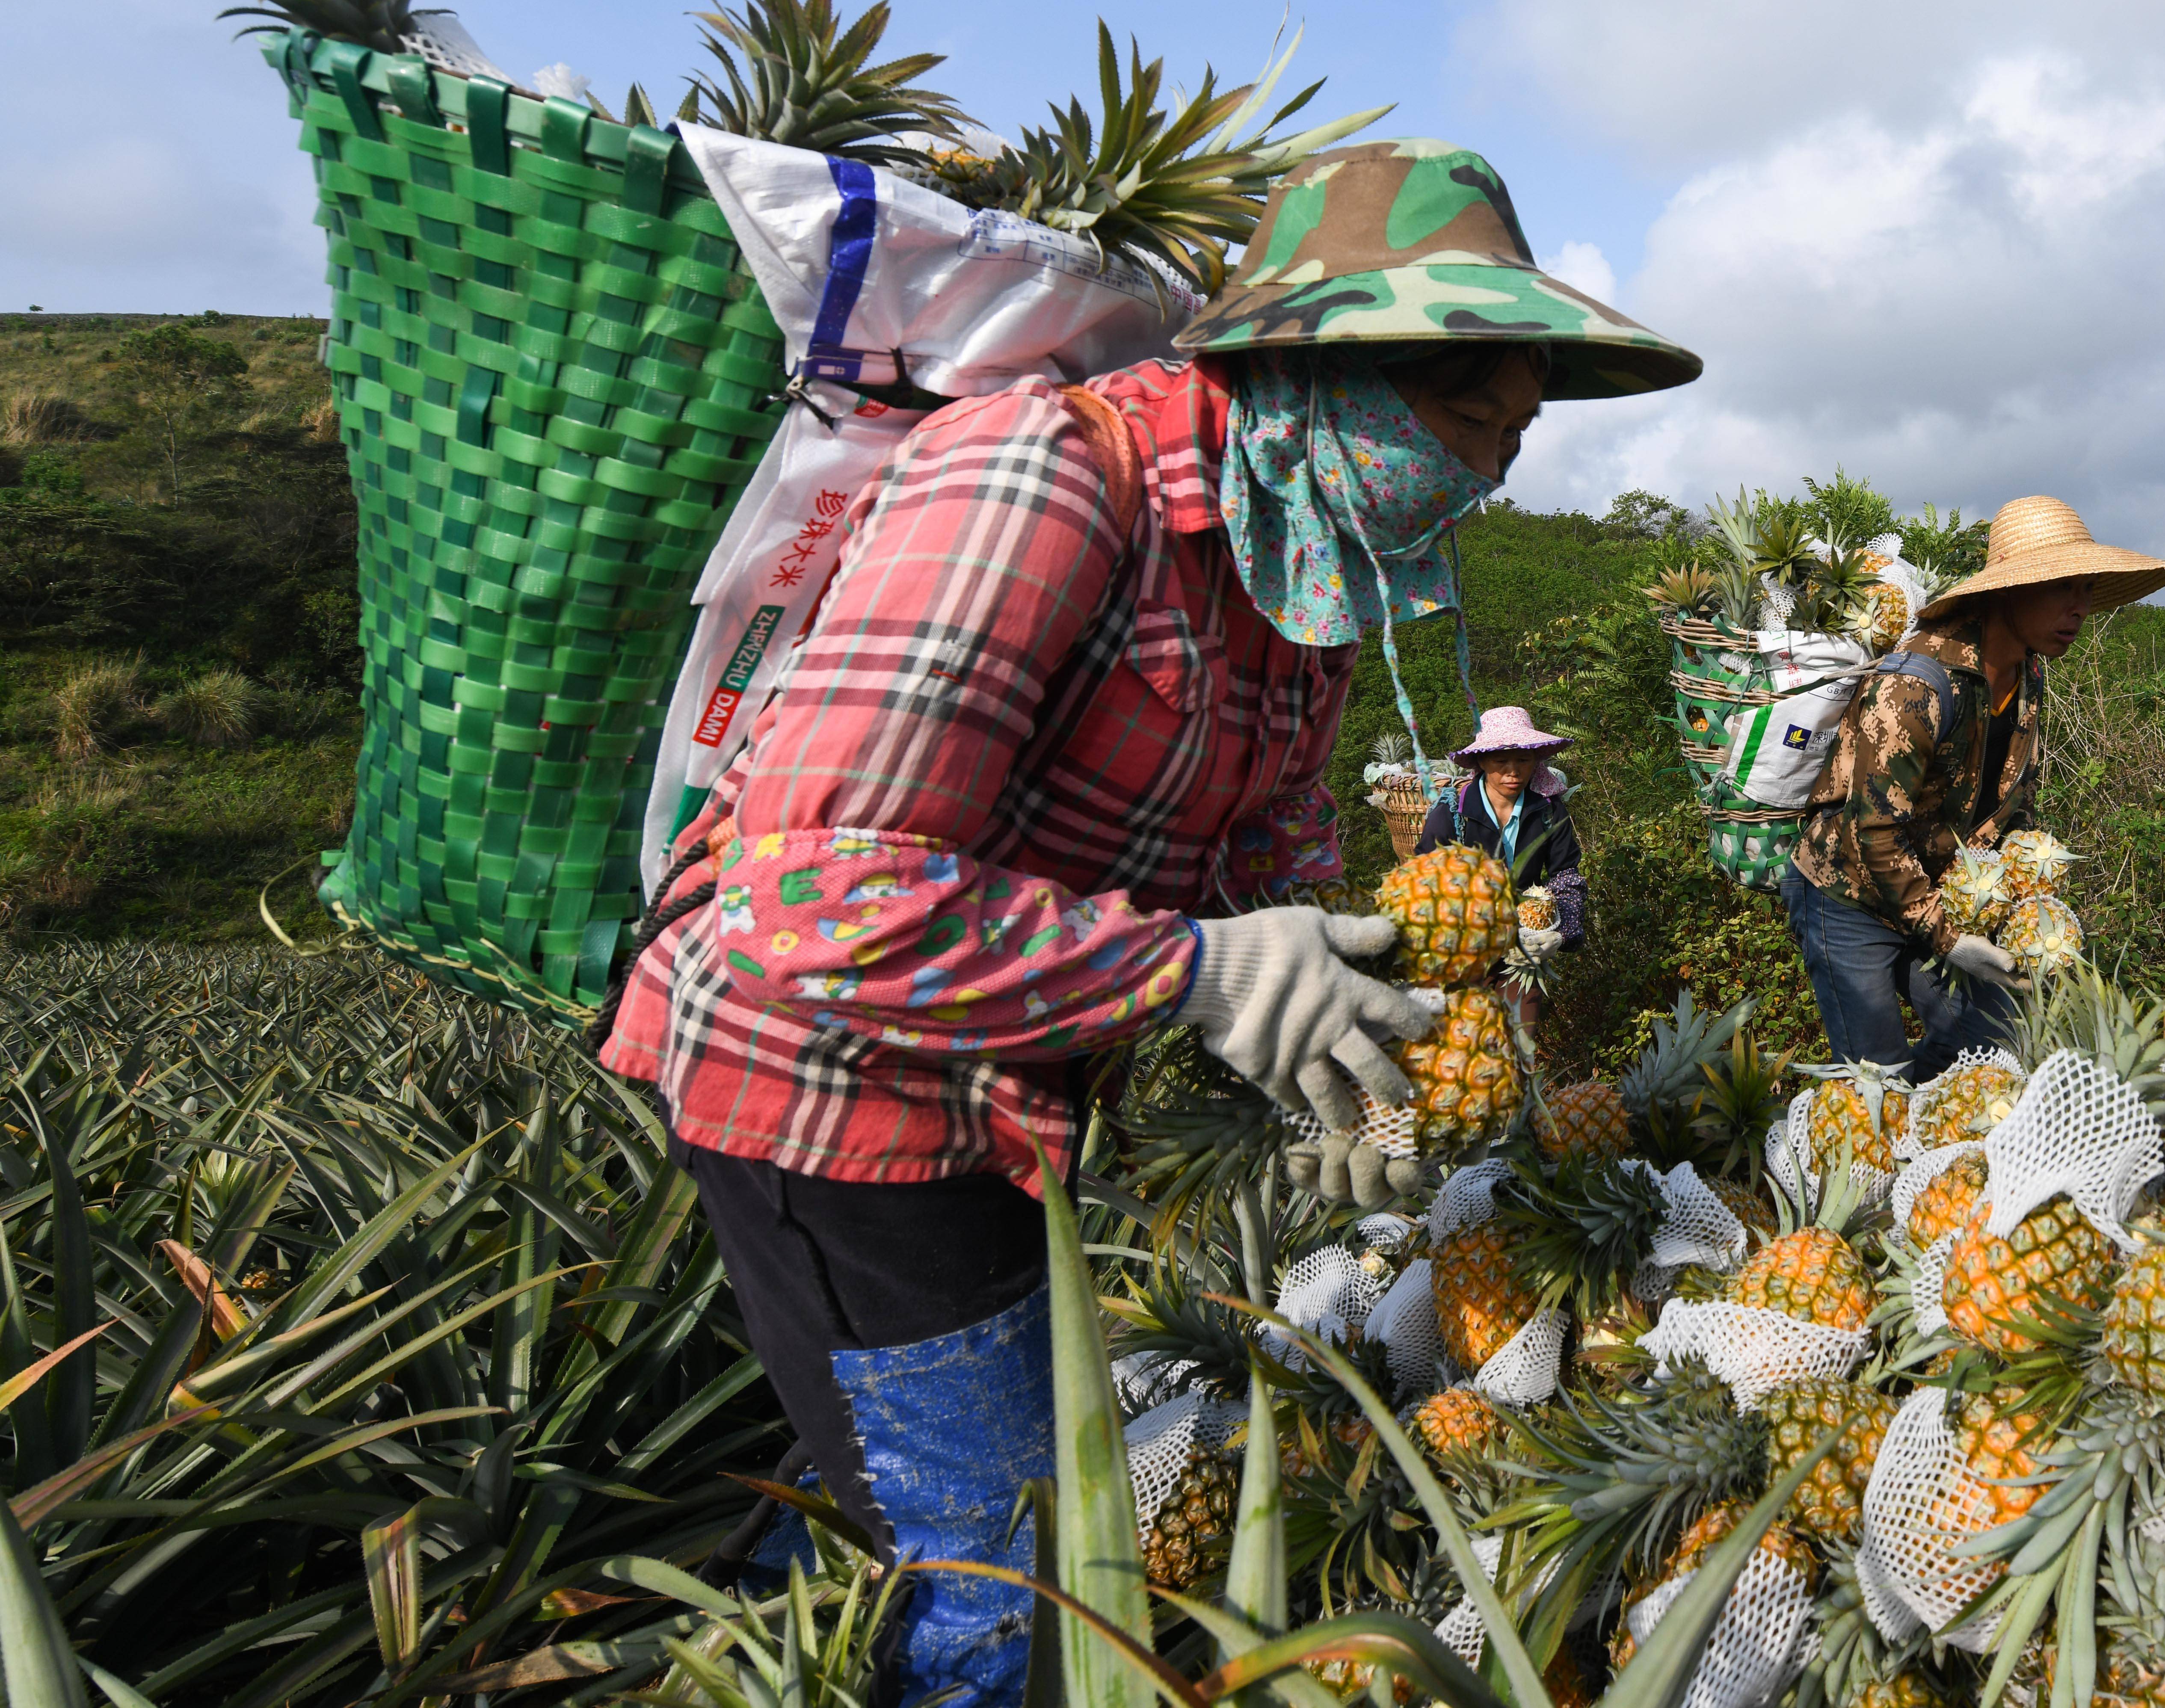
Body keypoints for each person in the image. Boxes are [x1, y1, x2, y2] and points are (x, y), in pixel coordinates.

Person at [594, 141, 1698, 1706]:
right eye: (1469, 417)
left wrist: (1321, 1013)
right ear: (1325, 364)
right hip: (827, 1090)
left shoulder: (1300, 556)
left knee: (917, 1474)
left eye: (1515, 431)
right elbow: (816, 892)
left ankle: (738, 1658)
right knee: (1016, 1572)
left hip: (1003, 1094)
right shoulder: (1039, 480)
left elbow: (1267, 844)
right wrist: (1197, 970)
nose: (1493, 472)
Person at [1782, 496, 2165, 1081]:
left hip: (1930, 888)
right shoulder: (1913, 686)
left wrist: (2019, 887)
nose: (2080, 610)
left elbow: (2004, 801)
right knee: (1878, 1077)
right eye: (2062, 588)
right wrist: (1949, 939)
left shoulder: (2029, 673)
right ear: (2007, 590)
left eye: (2087, 591)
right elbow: (1874, 833)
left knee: (1983, 1046)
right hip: (1848, 893)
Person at [1413, 705, 1586, 945]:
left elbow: (1565, 875)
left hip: (1526, 938)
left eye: (1524, 760)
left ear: (1535, 760)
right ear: (1481, 761)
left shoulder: (1549, 811)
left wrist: (1561, 934)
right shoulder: (1453, 813)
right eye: (1501, 760)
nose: (1513, 771)